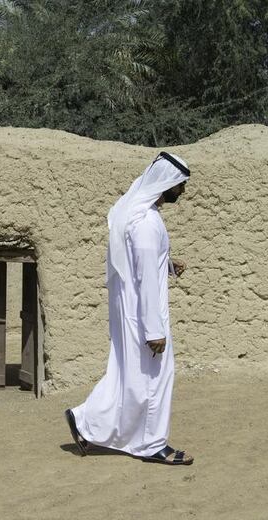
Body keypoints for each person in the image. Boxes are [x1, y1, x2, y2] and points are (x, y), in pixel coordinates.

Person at [64, 152, 194, 466]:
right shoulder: (147, 222)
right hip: (146, 315)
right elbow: (146, 277)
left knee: (128, 376)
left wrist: (167, 265)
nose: (183, 192)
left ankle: (85, 420)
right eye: (181, 185)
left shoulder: (134, 213)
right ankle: (152, 445)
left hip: (131, 310)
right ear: (167, 184)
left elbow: (142, 264)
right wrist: (155, 331)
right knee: (155, 379)